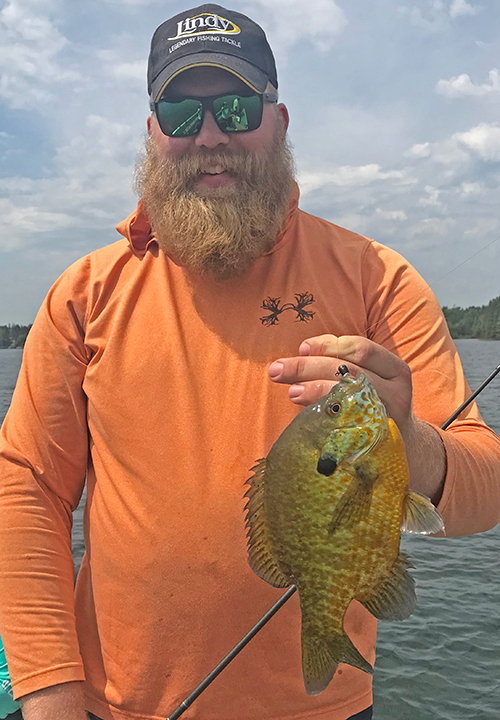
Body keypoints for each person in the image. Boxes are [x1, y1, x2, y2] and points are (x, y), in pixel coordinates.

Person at [0, 4, 499, 720]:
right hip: (114, 705)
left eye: (236, 109)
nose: (210, 137)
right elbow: (26, 489)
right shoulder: (83, 296)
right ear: (152, 133)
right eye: (181, 113)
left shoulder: (376, 279)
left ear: (281, 122)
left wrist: (406, 443)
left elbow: (487, 490)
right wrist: (49, 690)